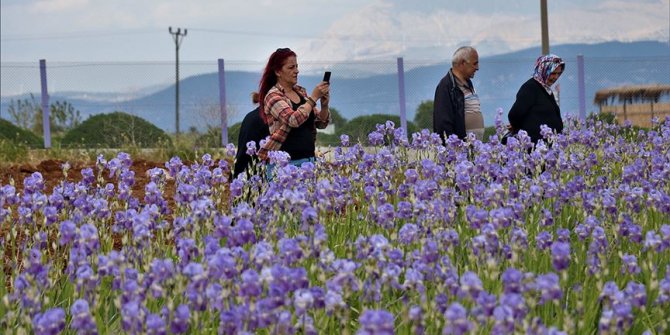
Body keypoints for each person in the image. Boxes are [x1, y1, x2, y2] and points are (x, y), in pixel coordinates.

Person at [256, 47, 330, 178]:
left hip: (308, 162)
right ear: (278, 71)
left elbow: (320, 123)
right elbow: (293, 120)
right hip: (284, 166)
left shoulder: (300, 92)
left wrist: (324, 106)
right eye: (291, 68)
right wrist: (313, 98)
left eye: (297, 66)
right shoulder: (272, 96)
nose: (296, 71)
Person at [507, 54, 565, 144]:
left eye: (559, 73)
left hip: (548, 146)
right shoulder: (530, 88)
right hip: (534, 146)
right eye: (553, 73)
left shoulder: (546, 89)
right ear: (543, 70)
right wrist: (519, 128)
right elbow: (515, 114)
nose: (556, 77)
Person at [433, 46, 484, 142]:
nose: (477, 68)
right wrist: (454, 147)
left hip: (474, 147)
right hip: (460, 149)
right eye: (475, 63)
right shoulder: (446, 86)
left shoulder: (467, 83)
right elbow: (443, 122)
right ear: (463, 63)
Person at [233, 92, 270, 178]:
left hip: (250, 175)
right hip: (258, 177)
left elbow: (241, 155)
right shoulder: (263, 118)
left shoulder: (250, 116)